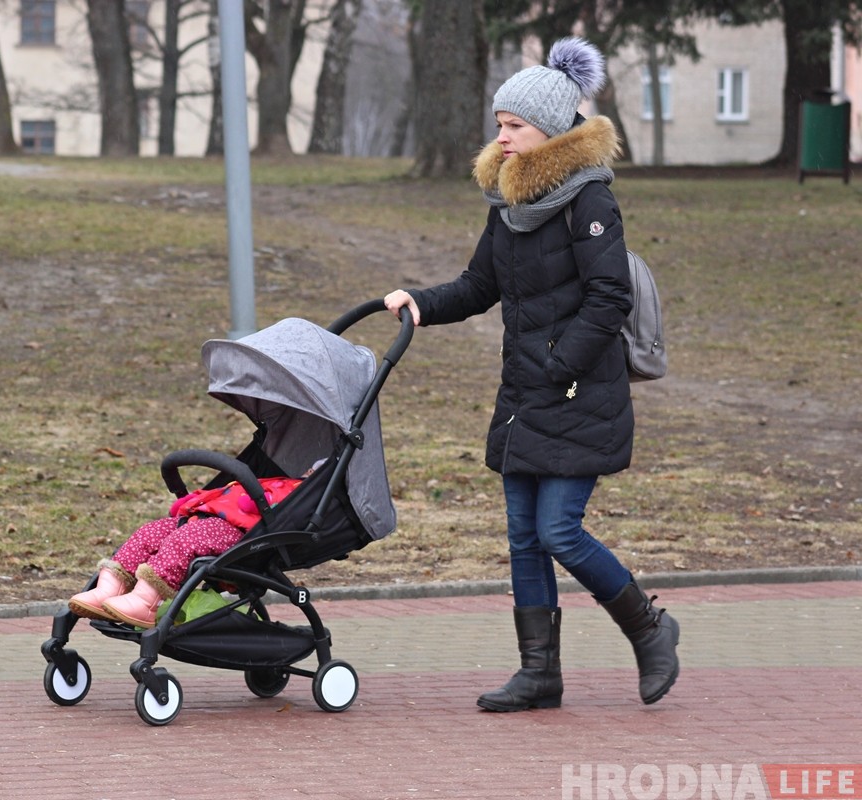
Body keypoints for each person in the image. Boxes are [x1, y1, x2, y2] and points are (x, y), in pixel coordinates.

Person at [384, 37, 679, 710]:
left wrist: (560, 364)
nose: (503, 137)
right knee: (523, 535)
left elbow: (610, 299)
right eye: (499, 126)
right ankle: (540, 673)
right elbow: (478, 285)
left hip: (577, 390)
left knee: (558, 531)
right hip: (526, 392)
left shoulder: (590, 203)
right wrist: (418, 303)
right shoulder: (508, 207)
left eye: (514, 125)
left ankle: (651, 628)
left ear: (548, 128)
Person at [68, 468, 315, 628]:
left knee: (182, 542)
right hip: (206, 518)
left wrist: (259, 499)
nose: (309, 470)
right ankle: (109, 589)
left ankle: (146, 602)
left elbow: (266, 506)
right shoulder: (280, 479)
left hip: (241, 535)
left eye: (315, 470)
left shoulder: (299, 495)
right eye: (310, 467)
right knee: (150, 532)